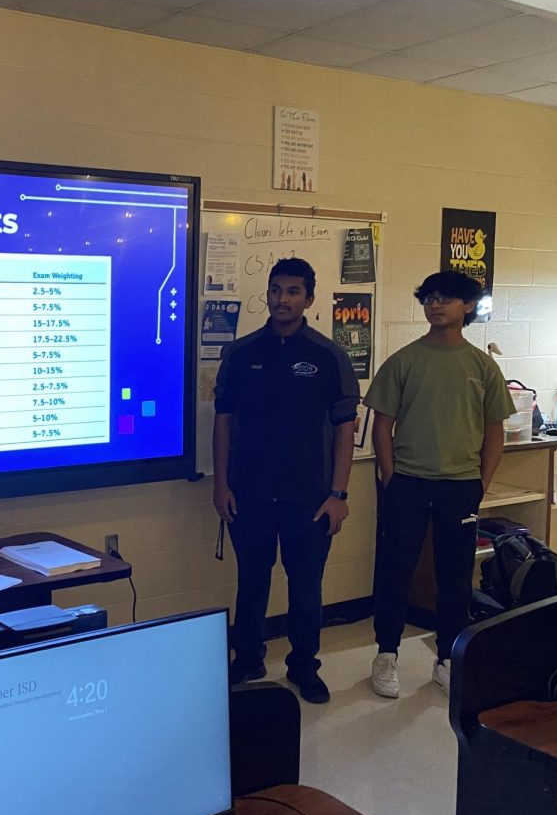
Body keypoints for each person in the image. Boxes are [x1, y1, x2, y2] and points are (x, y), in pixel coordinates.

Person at [212, 258, 359, 704]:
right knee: (252, 581)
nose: (282, 299)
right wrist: (221, 485)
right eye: (276, 290)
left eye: (293, 291)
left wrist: (338, 495)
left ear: (309, 299)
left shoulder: (328, 356)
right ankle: (248, 659)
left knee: (306, 586)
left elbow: (345, 429)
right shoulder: (242, 353)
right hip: (249, 493)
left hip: (310, 497)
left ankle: (303, 667)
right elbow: (222, 421)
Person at [364, 271, 513, 699]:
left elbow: (494, 431)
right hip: (407, 482)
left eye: (445, 298)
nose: (435, 305)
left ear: (466, 306)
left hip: (460, 486)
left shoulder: (483, 366)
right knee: (396, 569)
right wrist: (391, 478)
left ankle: (447, 658)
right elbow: (382, 427)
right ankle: (386, 655)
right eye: (429, 297)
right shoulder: (405, 360)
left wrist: (480, 482)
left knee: (455, 576)